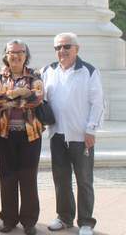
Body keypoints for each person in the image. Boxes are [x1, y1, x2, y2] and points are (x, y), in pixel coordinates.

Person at [42, 33, 103, 235]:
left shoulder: (89, 71)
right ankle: (64, 217)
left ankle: (86, 222)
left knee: (84, 180)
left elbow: (97, 103)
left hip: (81, 136)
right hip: (57, 135)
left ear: (77, 48)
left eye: (67, 46)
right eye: (58, 47)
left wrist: (91, 130)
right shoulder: (47, 71)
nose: (62, 51)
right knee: (61, 179)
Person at [0, 39, 44, 235]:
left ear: (26, 55)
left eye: (20, 52)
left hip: (31, 135)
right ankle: (9, 219)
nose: (16, 55)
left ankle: (29, 221)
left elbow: (37, 98)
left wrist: (9, 99)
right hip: (6, 134)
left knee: (28, 178)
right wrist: (20, 94)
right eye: (12, 52)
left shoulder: (35, 75)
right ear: (6, 55)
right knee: (7, 177)